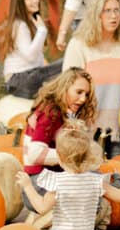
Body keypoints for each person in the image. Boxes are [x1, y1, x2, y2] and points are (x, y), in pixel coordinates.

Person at [64, 0, 120, 153]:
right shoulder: (79, 45)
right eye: (107, 11)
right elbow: (67, 89)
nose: (114, 16)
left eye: (117, 10)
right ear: (96, 14)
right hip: (88, 131)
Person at [19, 68, 98, 214]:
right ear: (65, 88)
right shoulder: (51, 113)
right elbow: (34, 153)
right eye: (79, 92)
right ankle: (48, 217)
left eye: (86, 94)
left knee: (98, 180)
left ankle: (50, 216)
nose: (83, 99)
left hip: (53, 178)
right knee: (95, 195)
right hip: (39, 182)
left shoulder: (66, 113)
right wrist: (73, 155)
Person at [1, 0, 57, 97]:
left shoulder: (30, 22)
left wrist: (50, 72)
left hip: (27, 76)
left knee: (65, 68)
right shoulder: (19, 25)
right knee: (68, 63)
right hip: (19, 80)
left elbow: (37, 57)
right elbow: (30, 56)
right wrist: (42, 30)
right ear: (20, 4)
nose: (35, 0)